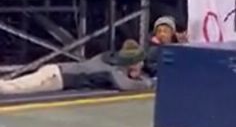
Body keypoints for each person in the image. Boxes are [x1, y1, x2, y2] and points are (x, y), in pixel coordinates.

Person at [0, 41, 151, 95]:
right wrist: (145, 81)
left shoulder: (105, 57)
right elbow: (127, 85)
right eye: (139, 63)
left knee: (11, 85)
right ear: (131, 63)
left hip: (55, 71)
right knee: (10, 89)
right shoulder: (109, 70)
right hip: (56, 79)